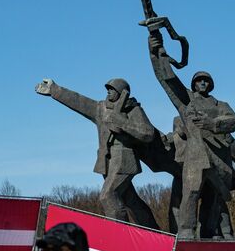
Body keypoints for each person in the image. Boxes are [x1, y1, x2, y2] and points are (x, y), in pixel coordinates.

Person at [147, 31, 235, 238]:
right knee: (191, 192)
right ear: (193, 84)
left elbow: (233, 124)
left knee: (214, 199)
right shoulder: (186, 101)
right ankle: (186, 233)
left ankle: (208, 235)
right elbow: (166, 79)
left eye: (206, 81)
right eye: (199, 80)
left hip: (220, 159)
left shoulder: (221, 105)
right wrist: (154, 49)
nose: (202, 83)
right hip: (196, 155)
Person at [35, 78, 160, 229]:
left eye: (112, 89)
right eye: (108, 88)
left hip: (124, 158)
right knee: (130, 200)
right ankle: (154, 232)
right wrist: (55, 90)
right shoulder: (101, 108)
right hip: (107, 160)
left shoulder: (133, 109)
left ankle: (120, 237)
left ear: (122, 92)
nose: (108, 91)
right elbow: (79, 101)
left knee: (108, 195)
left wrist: (122, 123)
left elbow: (148, 133)